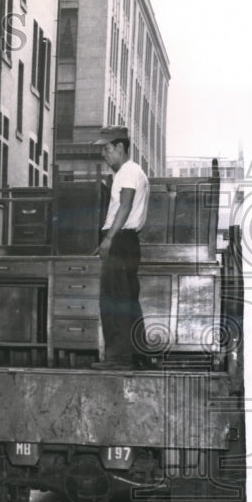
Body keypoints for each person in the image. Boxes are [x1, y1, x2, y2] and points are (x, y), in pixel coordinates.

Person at [91, 125, 150, 371]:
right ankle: (138, 355)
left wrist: (108, 239)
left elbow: (124, 207)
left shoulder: (127, 171)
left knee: (114, 300)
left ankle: (118, 359)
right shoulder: (133, 172)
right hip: (127, 241)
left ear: (120, 147)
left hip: (120, 240)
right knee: (127, 300)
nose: (103, 154)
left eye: (106, 149)